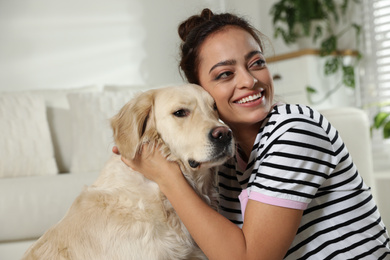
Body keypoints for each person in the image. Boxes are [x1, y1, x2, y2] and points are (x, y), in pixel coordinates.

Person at [114, 8, 390, 259]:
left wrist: (166, 176)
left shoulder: (294, 130)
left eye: (256, 62)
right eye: (225, 74)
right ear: (199, 90)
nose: (249, 81)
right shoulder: (225, 157)